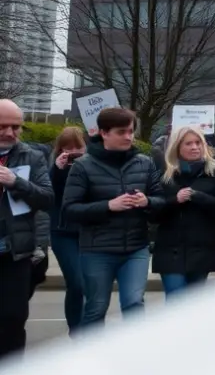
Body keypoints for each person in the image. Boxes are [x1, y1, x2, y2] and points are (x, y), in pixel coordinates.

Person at [61, 107, 165, 329]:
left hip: (136, 248)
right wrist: (108, 206)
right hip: (97, 249)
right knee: (96, 307)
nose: (128, 137)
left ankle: (134, 360)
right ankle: (89, 358)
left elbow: (161, 201)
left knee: (134, 305)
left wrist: (148, 202)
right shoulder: (83, 165)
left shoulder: (144, 163)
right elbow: (70, 209)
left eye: (130, 131)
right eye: (121, 132)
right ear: (104, 133)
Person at [0, 99, 53, 357]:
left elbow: (46, 198)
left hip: (14, 253)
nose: (10, 133)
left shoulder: (32, 156)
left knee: (12, 318)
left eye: (16, 127)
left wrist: (17, 182)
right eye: (2, 126)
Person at [154, 126, 215, 298]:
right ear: (177, 147)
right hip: (170, 250)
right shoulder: (165, 175)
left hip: (202, 251)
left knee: (192, 307)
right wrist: (175, 201)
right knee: (176, 301)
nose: (195, 147)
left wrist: (199, 197)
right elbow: (153, 213)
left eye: (198, 143)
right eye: (188, 144)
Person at [49, 127, 86, 335]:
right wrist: (57, 170)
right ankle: (77, 329)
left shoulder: (92, 165)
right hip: (62, 231)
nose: (73, 152)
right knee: (76, 282)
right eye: (68, 148)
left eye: (78, 147)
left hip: (88, 231)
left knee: (90, 284)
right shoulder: (55, 167)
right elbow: (46, 194)